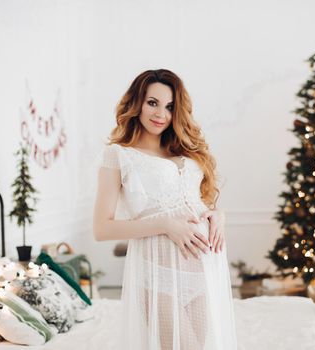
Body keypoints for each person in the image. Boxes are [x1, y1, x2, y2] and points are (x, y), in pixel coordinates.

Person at [93, 69, 237, 349]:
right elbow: (101, 229)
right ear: (137, 103)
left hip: (202, 272)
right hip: (158, 276)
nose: (161, 113)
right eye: (152, 103)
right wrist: (166, 224)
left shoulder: (184, 152)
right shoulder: (119, 155)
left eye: (170, 106)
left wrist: (219, 215)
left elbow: (196, 203)